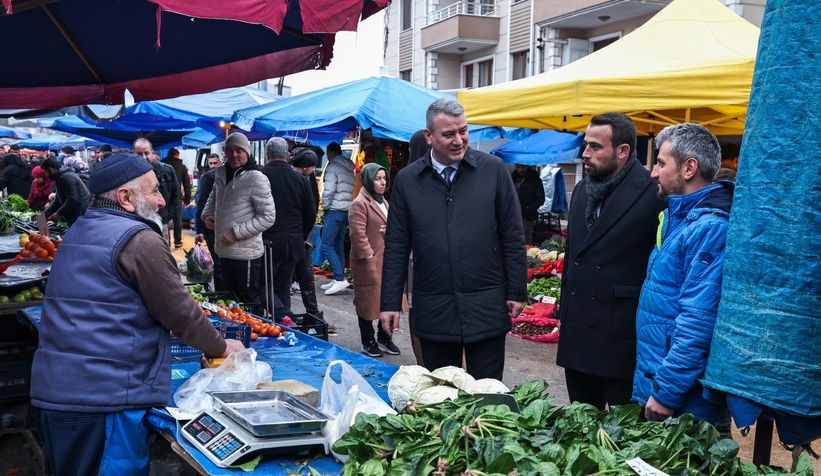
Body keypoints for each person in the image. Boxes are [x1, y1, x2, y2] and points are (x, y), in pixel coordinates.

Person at [30, 153, 245, 475]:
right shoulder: (139, 239)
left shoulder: (79, 230)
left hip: (58, 391)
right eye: (154, 190)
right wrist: (222, 347)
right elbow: (180, 311)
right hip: (104, 398)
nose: (161, 201)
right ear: (126, 198)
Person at [380, 98, 527, 380]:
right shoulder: (409, 180)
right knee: (442, 397)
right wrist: (389, 301)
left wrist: (516, 290)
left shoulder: (493, 171)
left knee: (488, 394)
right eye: (449, 134)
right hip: (434, 307)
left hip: (486, 304)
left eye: (464, 131)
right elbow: (397, 246)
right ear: (429, 136)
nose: (459, 140)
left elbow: (512, 234)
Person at [555, 112, 663, 410]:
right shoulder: (581, 189)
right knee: (581, 428)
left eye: (595, 147)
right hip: (578, 334)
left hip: (620, 340)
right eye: (585, 144)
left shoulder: (653, 192)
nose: (585, 153)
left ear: (623, 151)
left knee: (622, 437)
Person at [633, 123, 733, 431]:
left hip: (685, 404)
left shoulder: (710, 228)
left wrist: (666, 392)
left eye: (661, 163)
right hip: (664, 388)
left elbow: (698, 321)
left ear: (689, 168)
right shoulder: (680, 219)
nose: (653, 172)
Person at [200, 133, 276, 304]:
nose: (234, 154)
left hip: (246, 254)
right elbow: (213, 197)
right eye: (229, 150)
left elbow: (268, 217)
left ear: (247, 152)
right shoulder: (220, 173)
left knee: (247, 301)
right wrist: (207, 216)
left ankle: (251, 331)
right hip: (223, 250)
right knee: (229, 300)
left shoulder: (257, 178)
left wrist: (236, 233)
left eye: (239, 150)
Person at [258, 138, 316, 320]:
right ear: (288, 156)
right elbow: (310, 214)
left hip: (268, 242)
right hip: (294, 242)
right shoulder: (301, 180)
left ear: (267, 155)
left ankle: (285, 316)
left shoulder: (260, 176)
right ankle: (285, 325)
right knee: (283, 285)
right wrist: (301, 235)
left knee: (261, 286)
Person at [350, 163, 398, 357]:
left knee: (387, 299)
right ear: (369, 179)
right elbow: (357, 233)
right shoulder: (360, 203)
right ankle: (367, 340)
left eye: (384, 178)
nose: (382, 182)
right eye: (377, 179)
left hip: (385, 259)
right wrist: (369, 255)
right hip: (368, 261)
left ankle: (385, 337)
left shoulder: (383, 201)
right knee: (367, 302)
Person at [320, 141, 355, 295]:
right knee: (339, 244)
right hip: (345, 209)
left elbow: (328, 191)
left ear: (331, 153)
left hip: (334, 209)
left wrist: (325, 206)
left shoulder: (333, 166)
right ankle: (337, 278)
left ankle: (339, 278)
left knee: (326, 244)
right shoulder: (349, 168)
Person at [132, 138, 179, 241]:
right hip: (137, 224)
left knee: (162, 254)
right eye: (139, 154)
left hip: (161, 222)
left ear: (152, 153)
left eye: (146, 153)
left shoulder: (167, 170)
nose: (143, 157)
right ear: (133, 153)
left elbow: (176, 194)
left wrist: (168, 216)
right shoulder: (128, 173)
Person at [195, 153, 224, 290]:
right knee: (219, 264)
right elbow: (201, 203)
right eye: (210, 163)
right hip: (211, 228)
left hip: (227, 227)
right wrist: (200, 229)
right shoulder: (208, 177)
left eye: (215, 163)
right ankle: (221, 295)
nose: (212, 166)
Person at [41, 157, 89, 226]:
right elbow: (58, 198)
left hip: (82, 216)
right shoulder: (60, 176)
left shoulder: (65, 177)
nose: (46, 175)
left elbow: (73, 199)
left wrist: (59, 214)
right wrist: (44, 214)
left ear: (51, 170)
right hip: (77, 217)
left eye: (45, 172)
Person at [162, 147, 192, 249]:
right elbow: (187, 185)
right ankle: (178, 242)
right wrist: (187, 200)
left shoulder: (161, 164)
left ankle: (166, 242)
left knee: (164, 220)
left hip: (164, 197)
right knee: (177, 219)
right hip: (177, 197)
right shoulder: (182, 167)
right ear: (177, 155)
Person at [512, 164, 546, 245]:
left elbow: (540, 199)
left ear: (528, 166)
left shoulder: (534, 179)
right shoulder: (513, 177)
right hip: (513, 215)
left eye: (522, 167)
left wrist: (529, 208)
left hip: (527, 217)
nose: (520, 169)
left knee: (525, 242)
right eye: (518, 167)